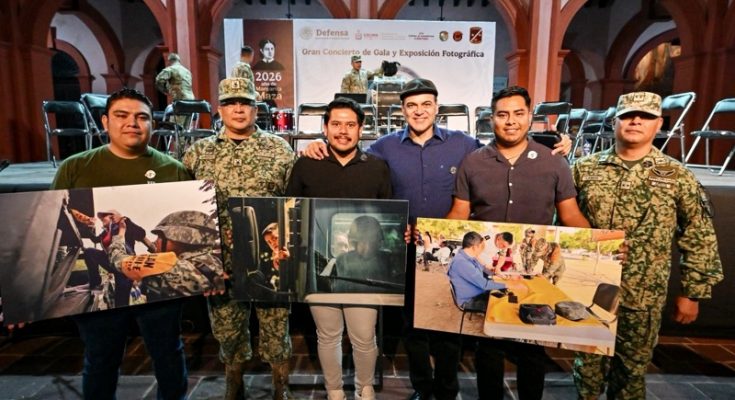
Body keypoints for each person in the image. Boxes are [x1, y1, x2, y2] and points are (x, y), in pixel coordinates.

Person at [304, 79, 573, 400]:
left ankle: (446, 389)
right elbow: (351, 154)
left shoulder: (464, 144)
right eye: (412, 105)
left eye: (426, 104)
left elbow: (505, 147)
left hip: (449, 249)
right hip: (407, 249)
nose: (419, 111)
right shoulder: (384, 147)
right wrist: (316, 144)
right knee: (413, 328)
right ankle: (422, 387)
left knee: (449, 329)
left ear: (436, 108)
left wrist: (556, 143)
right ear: (402, 110)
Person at [571, 91, 724, 399]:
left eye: (646, 116)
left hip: (644, 294)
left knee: (631, 374)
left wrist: (693, 292)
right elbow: (561, 224)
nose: (636, 121)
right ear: (614, 122)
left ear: (658, 125)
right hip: (590, 288)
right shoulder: (583, 169)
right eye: (628, 115)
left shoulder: (677, 175)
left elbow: (698, 232)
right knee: (586, 373)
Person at [445, 85, 590, 400]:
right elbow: (458, 213)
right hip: (491, 268)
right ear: (491, 118)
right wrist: (432, 234)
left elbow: (570, 215)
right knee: (489, 347)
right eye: (502, 114)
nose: (510, 121)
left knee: (532, 349)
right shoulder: (473, 162)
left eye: (518, 113)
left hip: (532, 272)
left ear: (530, 116)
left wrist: (607, 244)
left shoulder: (554, 162)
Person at [51, 87, 192, 400]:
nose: (132, 123)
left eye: (142, 117)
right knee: (101, 357)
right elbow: (58, 226)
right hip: (105, 286)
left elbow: (165, 238)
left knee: (168, 354)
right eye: (122, 115)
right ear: (105, 122)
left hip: (153, 284)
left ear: (152, 124)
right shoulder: (75, 167)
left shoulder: (174, 169)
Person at [182, 77, 295, 400]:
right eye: (230, 103)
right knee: (227, 327)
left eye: (245, 102)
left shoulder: (279, 149)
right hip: (221, 260)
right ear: (219, 109)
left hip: (269, 257)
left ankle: (281, 387)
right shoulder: (198, 153)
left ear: (256, 109)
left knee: (276, 325)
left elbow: (293, 201)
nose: (238, 109)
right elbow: (187, 209)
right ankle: (234, 385)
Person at [286, 96, 392, 400]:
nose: (343, 131)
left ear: (361, 129)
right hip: (320, 266)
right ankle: (334, 392)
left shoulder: (377, 168)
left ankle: (364, 389)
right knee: (328, 335)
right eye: (336, 124)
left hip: (366, 273)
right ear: (325, 128)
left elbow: (389, 214)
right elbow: (290, 212)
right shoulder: (306, 165)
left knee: (364, 336)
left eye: (350, 125)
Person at [108, 210, 224, 302]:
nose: (156, 241)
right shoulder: (212, 261)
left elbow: (117, 259)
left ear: (178, 237)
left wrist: (121, 232)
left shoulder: (169, 267)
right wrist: (142, 238)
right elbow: (164, 253)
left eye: (160, 236)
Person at [75, 209, 155, 307]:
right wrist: (87, 227)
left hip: (124, 264)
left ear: (112, 217)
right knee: (89, 252)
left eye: (104, 217)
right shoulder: (105, 233)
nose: (101, 219)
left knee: (120, 301)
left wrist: (126, 221)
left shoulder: (123, 225)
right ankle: (95, 282)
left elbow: (141, 233)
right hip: (111, 261)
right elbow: (95, 239)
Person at [447, 232, 526, 311]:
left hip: (478, 292)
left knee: (507, 296)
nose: (482, 250)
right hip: (470, 300)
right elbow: (484, 284)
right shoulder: (462, 262)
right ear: (475, 247)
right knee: (506, 306)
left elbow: (484, 269)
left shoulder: (468, 257)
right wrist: (510, 285)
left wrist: (508, 277)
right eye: (482, 247)